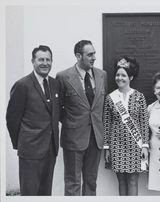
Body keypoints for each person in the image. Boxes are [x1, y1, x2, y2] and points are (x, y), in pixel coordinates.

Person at [6, 45, 60, 195]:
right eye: (41, 59)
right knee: (29, 193)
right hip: (30, 151)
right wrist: (22, 144)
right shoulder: (22, 85)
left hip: (51, 149)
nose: (45, 63)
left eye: (48, 60)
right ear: (32, 61)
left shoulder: (55, 84)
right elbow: (12, 119)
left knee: (45, 193)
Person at [56, 40, 107, 196]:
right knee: (73, 182)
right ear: (78, 56)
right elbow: (58, 109)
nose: (94, 57)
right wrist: (73, 124)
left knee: (91, 181)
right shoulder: (63, 76)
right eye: (90, 54)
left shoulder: (102, 75)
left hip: (96, 137)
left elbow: (101, 107)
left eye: (94, 53)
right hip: (73, 138)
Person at [103, 56, 149, 196]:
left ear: (131, 77)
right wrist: (107, 148)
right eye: (117, 75)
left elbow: (144, 122)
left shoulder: (139, 97)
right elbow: (106, 124)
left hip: (135, 145)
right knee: (121, 181)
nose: (119, 78)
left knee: (133, 181)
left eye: (123, 75)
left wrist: (145, 146)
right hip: (116, 144)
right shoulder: (110, 98)